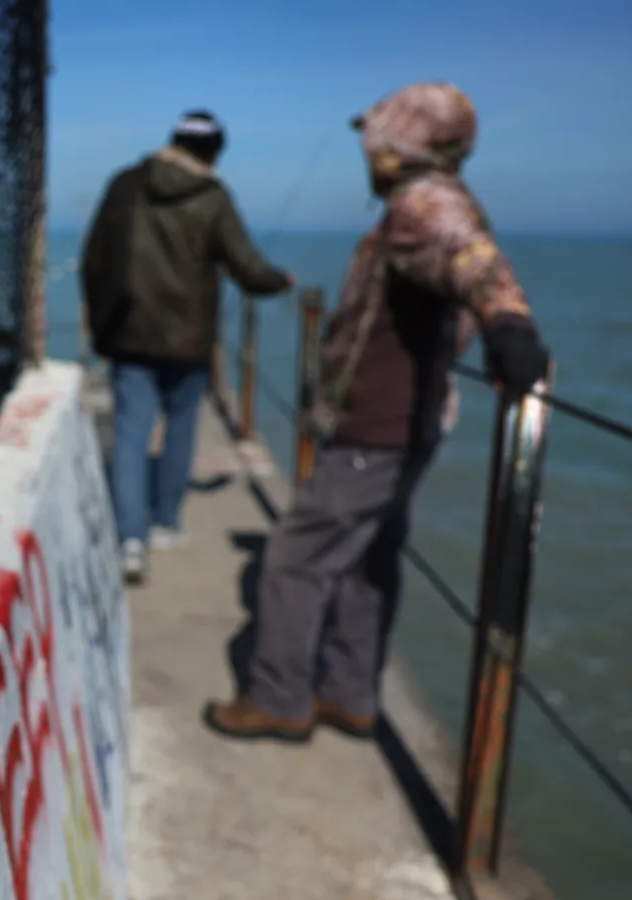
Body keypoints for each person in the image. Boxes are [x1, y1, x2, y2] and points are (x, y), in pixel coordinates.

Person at [205, 83, 550, 741]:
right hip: (410, 424)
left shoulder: (424, 204)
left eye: (375, 138)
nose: (366, 151)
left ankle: (279, 697)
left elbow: (472, 259)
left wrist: (509, 323)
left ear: (398, 144)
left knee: (296, 559)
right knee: (370, 559)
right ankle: (351, 692)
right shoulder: (436, 200)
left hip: (374, 427)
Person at [81, 111, 293, 585]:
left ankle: (129, 540)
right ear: (216, 150)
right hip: (189, 341)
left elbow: (93, 259)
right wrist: (280, 280)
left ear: (173, 139)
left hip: (128, 334)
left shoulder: (124, 186)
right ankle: (166, 522)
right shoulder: (213, 197)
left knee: (131, 434)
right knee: (181, 430)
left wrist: (100, 323)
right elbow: (248, 268)